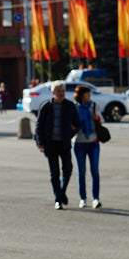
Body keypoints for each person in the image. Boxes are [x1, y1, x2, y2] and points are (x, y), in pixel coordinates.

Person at [34, 81, 80, 209]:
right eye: (59, 92)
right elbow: (39, 126)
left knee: (68, 170)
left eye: (63, 91)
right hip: (50, 144)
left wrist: (71, 132)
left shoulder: (70, 106)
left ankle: (62, 192)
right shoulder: (46, 106)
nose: (61, 94)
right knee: (54, 174)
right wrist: (40, 143)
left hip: (64, 144)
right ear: (53, 92)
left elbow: (77, 124)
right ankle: (58, 199)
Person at [72, 86, 103, 208]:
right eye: (86, 94)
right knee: (81, 172)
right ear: (81, 95)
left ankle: (96, 198)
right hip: (79, 142)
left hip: (93, 142)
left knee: (95, 171)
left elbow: (102, 119)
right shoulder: (74, 107)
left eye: (89, 94)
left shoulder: (93, 105)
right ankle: (83, 198)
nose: (89, 96)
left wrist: (98, 118)